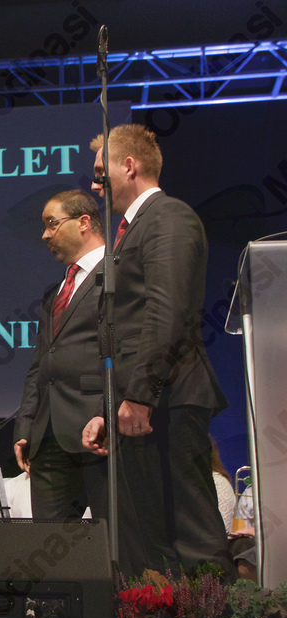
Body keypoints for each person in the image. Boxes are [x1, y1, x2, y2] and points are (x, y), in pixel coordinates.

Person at [81, 124, 230, 576]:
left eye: (100, 173)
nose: (95, 186)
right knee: (155, 532)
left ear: (129, 166)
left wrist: (141, 395)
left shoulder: (168, 217)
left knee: (190, 526)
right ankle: (171, 617)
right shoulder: (135, 227)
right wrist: (112, 407)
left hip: (169, 396)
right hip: (146, 400)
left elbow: (169, 313)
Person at [14, 191, 109, 520]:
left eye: (52, 224)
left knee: (114, 537)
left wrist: (107, 412)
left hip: (100, 433)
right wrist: (26, 425)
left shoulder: (120, 274)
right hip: (48, 437)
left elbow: (131, 352)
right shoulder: (54, 294)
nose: (45, 235)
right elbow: (40, 364)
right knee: (48, 543)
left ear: (83, 222)